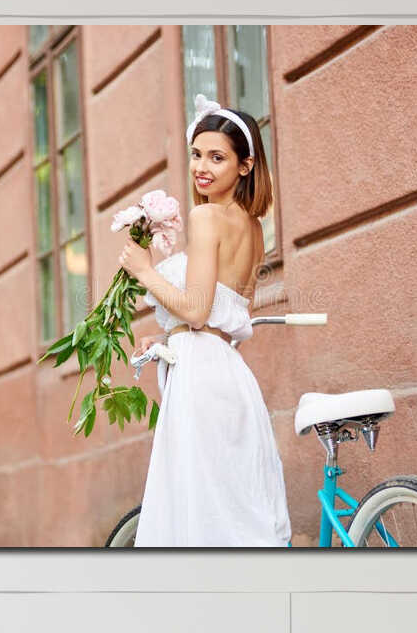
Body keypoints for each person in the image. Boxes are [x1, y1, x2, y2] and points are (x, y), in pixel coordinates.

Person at [117, 95, 291, 547]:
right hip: (230, 373)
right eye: (197, 154)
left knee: (200, 508)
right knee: (232, 503)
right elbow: (219, 314)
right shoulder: (253, 228)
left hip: (200, 378)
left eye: (218, 157)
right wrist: (167, 334)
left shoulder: (206, 215)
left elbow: (196, 309)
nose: (203, 166)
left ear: (246, 165)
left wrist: (144, 272)